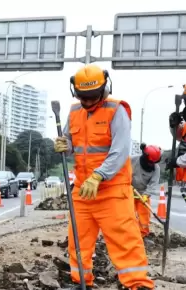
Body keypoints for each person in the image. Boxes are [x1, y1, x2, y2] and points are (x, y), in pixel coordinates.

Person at [54, 64, 154, 290]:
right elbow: (72, 145)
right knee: (78, 241)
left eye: (92, 96)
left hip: (112, 191)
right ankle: (81, 282)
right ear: (76, 92)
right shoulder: (73, 112)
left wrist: (98, 175)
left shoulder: (116, 110)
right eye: (83, 97)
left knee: (125, 241)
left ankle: (137, 285)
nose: (88, 102)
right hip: (83, 190)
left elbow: (119, 151)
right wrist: (64, 145)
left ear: (104, 88)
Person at [131, 143, 161, 239]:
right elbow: (122, 172)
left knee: (144, 216)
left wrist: (146, 195)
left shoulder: (156, 168)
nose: (152, 164)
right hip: (128, 191)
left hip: (143, 194)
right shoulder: (131, 160)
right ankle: (129, 233)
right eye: (150, 162)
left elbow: (153, 184)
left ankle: (143, 235)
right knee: (127, 215)